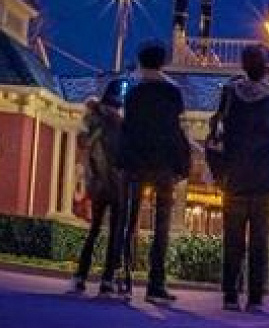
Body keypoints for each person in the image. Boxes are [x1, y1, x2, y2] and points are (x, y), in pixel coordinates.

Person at [212, 43, 269, 313]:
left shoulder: (230, 93)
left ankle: (230, 294)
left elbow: (218, 126)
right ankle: (255, 298)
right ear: (265, 68)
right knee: (259, 243)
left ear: (243, 66)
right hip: (262, 179)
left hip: (234, 177)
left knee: (233, 241)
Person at [118, 40, 190, 304]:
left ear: (140, 61)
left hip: (136, 162)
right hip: (163, 165)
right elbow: (177, 129)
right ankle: (155, 284)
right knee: (162, 225)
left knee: (129, 220)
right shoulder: (173, 92)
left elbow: (127, 127)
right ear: (163, 62)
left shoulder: (134, 92)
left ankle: (123, 275)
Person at [72, 78, 128, 295]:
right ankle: (105, 279)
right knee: (113, 232)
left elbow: (83, 142)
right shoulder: (117, 125)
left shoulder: (98, 122)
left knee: (95, 231)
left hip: (99, 184)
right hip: (114, 185)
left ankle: (82, 276)